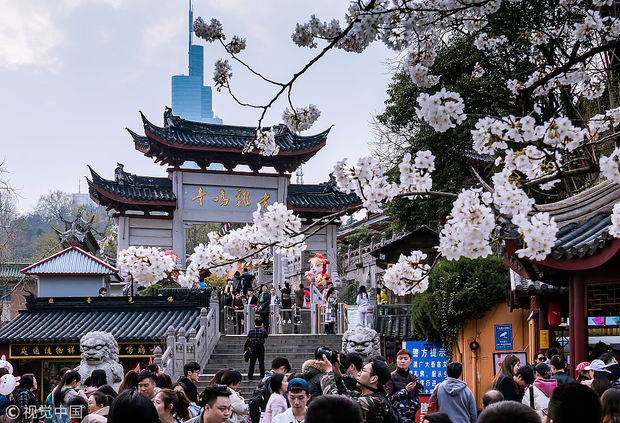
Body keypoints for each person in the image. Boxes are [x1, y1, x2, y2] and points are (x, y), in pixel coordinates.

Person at [320, 356, 392, 423]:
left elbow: (334, 404)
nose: (358, 374)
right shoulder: (368, 396)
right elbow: (344, 394)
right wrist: (337, 374)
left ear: (373, 379)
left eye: (363, 371)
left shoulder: (376, 402)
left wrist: (328, 372)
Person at [248, 357, 292, 423]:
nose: (286, 383)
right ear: (282, 369)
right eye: (284, 374)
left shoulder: (265, 379)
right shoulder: (273, 382)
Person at [384, 348, 422, 420]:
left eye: (405, 359)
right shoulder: (391, 377)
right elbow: (388, 399)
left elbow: (415, 396)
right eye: (400, 358)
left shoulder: (413, 377)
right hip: (396, 416)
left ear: (410, 361)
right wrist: (405, 390)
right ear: (396, 360)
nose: (403, 361)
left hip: (411, 416)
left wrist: (416, 405)